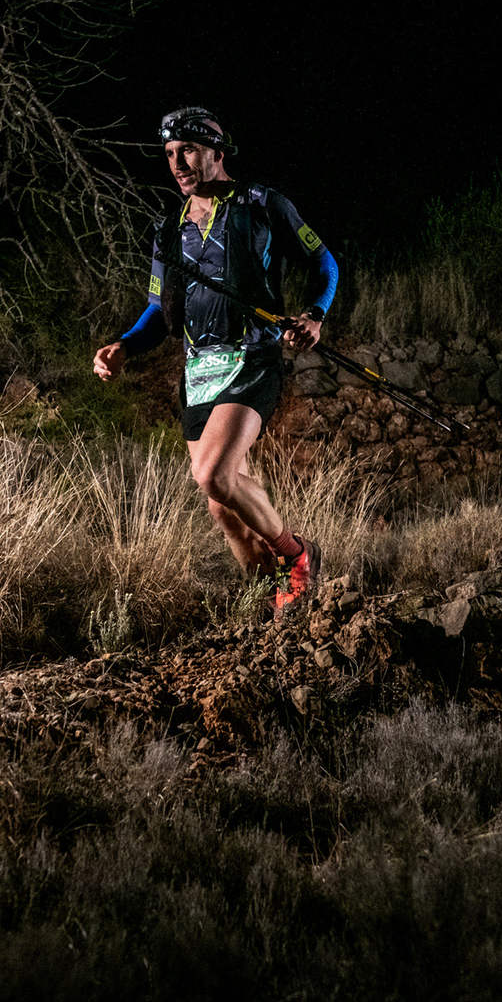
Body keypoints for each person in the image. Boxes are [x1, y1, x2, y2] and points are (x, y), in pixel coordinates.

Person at [93, 105, 340, 618]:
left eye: (187, 150)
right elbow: (159, 310)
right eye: (169, 153)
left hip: (251, 358)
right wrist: (124, 346)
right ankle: (272, 611)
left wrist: (314, 315)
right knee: (222, 509)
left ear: (217, 152)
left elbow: (324, 262)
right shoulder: (168, 229)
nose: (177, 163)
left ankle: (295, 555)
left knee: (212, 475)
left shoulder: (263, 203)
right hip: (197, 373)